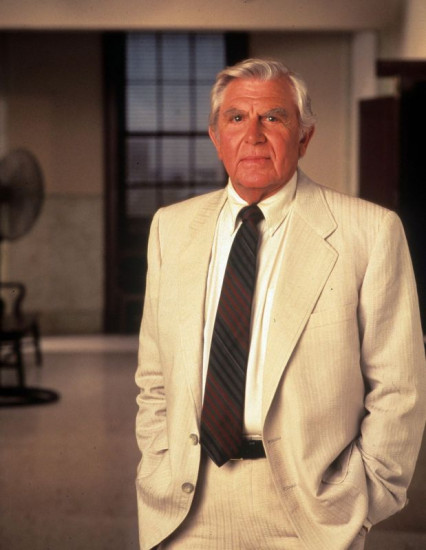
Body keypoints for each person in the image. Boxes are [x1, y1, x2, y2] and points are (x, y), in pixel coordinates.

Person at [135, 58, 426, 550]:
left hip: (311, 509)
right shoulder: (170, 228)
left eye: (273, 117)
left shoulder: (370, 233)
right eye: (236, 118)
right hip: (186, 502)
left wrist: (361, 497)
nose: (253, 135)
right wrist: (159, 463)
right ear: (215, 137)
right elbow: (153, 376)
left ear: (304, 137)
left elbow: (399, 388)